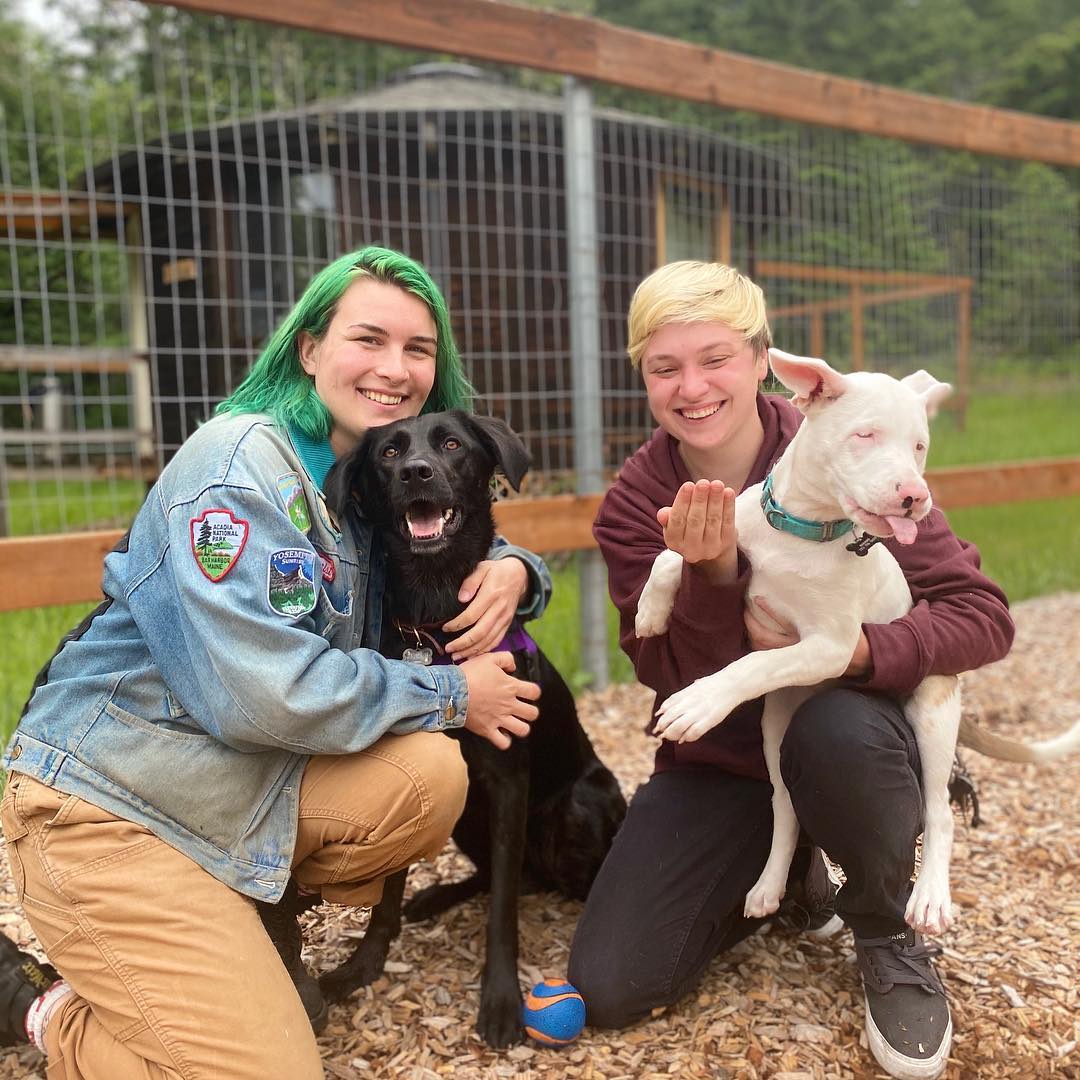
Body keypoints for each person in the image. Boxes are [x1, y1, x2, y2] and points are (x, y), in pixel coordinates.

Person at [0, 246, 548, 1079]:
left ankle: (244, 909)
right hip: (113, 801)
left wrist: (521, 570)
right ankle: (34, 1005)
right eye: (369, 339)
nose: (395, 369)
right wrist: (449, 690)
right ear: (309, 349)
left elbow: (452, 536)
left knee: (428, 779)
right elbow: (262, 698)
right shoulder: (239, 466)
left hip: (227, 787)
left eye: (419, 350)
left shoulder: (361, 479)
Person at [568, 260, 1014, 1079]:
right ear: (642, 377)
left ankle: (886, 929)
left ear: (764, 361)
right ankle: (797, 867)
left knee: (836, 726)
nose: (692, 386)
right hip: (728, 760)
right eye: (664, 367)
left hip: (849, 726)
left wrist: (865, 654)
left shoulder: (856, 440)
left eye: (715, 359)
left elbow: (982, 618)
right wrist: (709, 577)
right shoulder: (639, 501)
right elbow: (668, 678)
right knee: (613, 984)